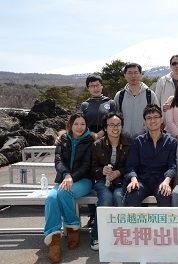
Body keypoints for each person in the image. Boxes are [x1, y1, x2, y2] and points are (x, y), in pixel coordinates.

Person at [44, 112, 94, 263]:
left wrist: (72, 177)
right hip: (64, 179)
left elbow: (86, 166)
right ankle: (54, 239)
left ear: (86, 126)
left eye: (82, 124)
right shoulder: (63, 140)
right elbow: (58, 160)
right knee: (51, 198)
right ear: (70, 125)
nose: (79, 127)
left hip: (83, 180)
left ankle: (73, 229)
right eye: (76, 124)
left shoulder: (90, 141)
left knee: (64, 193)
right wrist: (66, 174)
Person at [90, 112, 132, 251]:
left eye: (118, 124)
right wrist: (101, 171)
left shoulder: (129, 142)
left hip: (122, 179)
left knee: (118, 197)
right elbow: (92, 169)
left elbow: (133, 165)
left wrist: (119, 172)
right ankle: (97, 236)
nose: (115, 128)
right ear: (105, 128)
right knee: (106, 198)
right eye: (111, 125)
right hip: (103, 181)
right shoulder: (97, 145)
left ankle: (125, 235)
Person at [80, 74, 116, 228]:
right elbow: (80, 123)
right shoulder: (85, 105)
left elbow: (115, 119)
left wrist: (103, 132)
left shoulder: (110, 102)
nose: (95, 88)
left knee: (105, 174)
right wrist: (92, 135)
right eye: (91, 85)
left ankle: (109, 212)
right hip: (89, 142)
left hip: (106, 140)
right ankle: (92, 215)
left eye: (97, 85)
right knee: (91, 176)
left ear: (102, 85)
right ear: (88, 88)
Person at [124, 104, 177, 207]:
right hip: (142, 181)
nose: (152, 121)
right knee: (132, 195)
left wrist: (166, 182)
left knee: (165, 195)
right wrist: (133, 180)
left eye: (156, 117)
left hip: (161, 180)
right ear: (144, 121)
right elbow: (131, 165)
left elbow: (173, 166)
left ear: (162, 120)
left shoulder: (171, 142)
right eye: (149, 118)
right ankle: (137, 224)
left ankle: (163, 224)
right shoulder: (138, 141)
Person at [114, 62, 158, 139]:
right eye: (129, 73)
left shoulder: (150, 95)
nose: (133, 76)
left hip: (145, 138)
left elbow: (156, 116)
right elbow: (115, 117)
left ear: (141, 75)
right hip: (123, 139)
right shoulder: (120, 95)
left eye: (136, 73)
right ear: (125, 75)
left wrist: (146, 130)